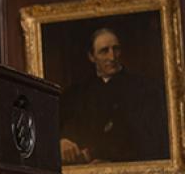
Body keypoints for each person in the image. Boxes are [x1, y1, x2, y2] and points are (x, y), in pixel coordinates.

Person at [60, 27, 169, 164]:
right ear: (91, 57)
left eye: (115, 49)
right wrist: (63, 140)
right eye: (104, 51)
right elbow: (68, 125)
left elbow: (147, 138)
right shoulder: (78, 93)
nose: (112, 57)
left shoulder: (142, 88)